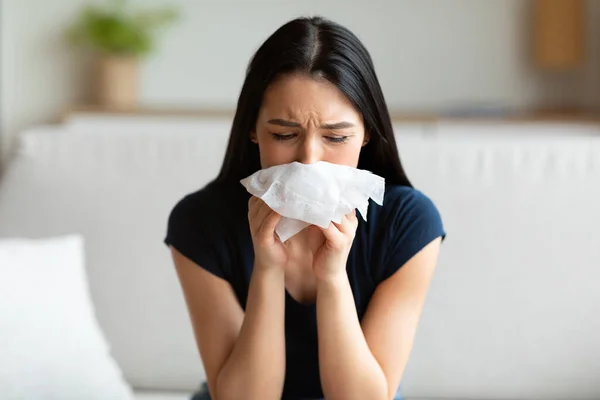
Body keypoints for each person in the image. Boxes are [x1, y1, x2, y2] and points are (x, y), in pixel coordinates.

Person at [164, 16, 446, 400]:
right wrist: (267, 268)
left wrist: (332, 276)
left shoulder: (408, 223)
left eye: (336, 137)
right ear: (252, 129)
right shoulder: (199, 222)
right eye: (284, 135)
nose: (309, 160)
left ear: (365, 133)